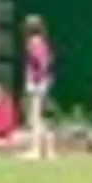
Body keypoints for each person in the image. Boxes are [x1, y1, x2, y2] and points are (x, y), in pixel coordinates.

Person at [22, 15, 55, 160]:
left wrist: (36, 80)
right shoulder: (42, 42)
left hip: (37, 85)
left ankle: (35, 150)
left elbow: (42, 62)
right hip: (42, 83)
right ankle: (49, 151)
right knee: (40, 118)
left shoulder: (33, 43)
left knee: (34, 118)